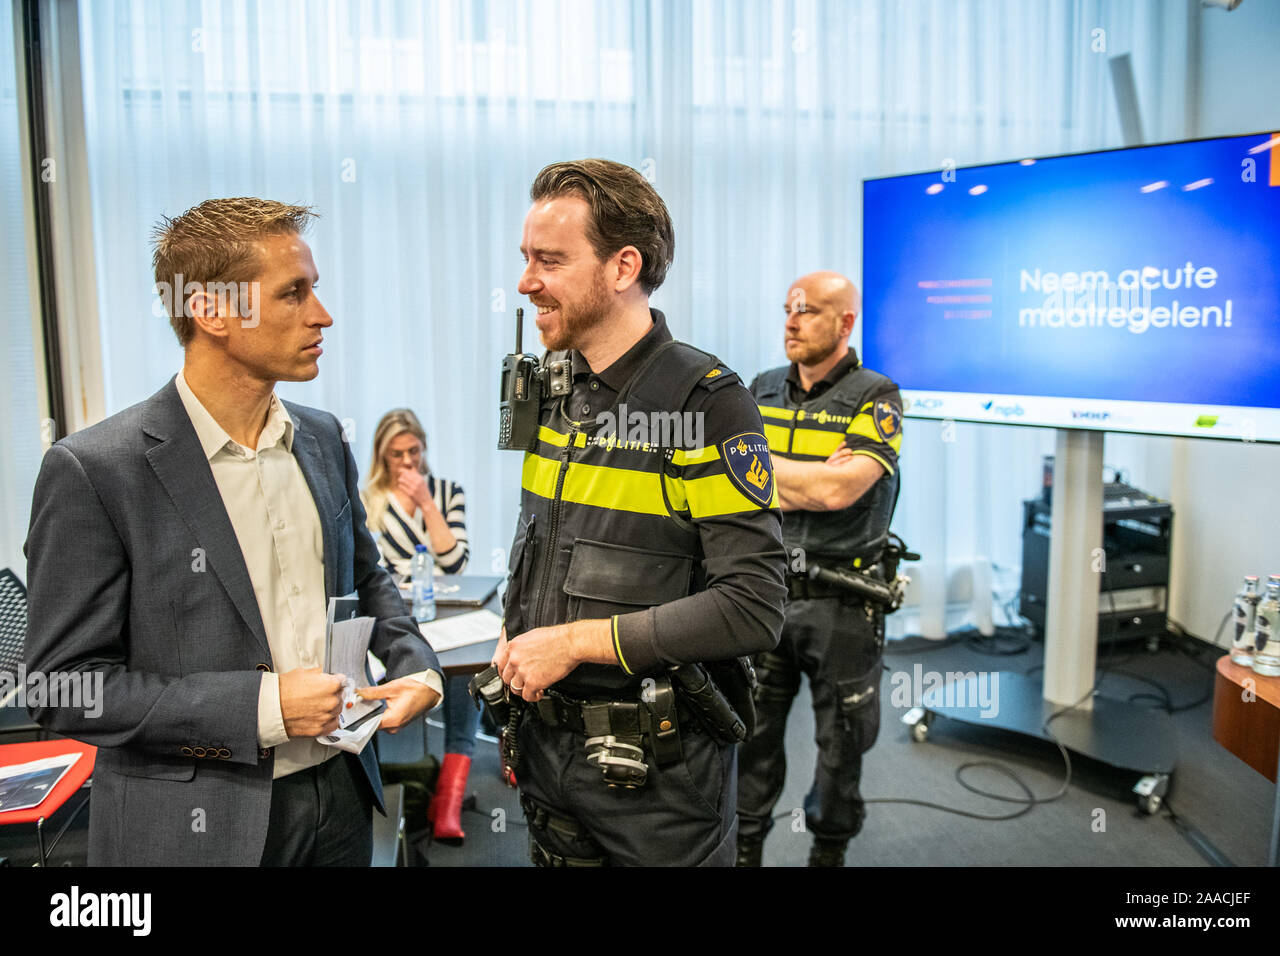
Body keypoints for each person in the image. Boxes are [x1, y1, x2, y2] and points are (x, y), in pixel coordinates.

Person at [23, 198, 443, 866]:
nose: (322, 314)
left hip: (340, 799)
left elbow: (367, 580)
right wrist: (263, 707)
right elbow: (61, 689)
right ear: (211, 311)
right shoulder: (98, 471)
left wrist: (417, 667)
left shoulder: (324, 438)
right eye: (293, 294)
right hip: (195, 828)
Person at [492, 158, 787, 867]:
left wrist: (571, 643)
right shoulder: (552, 389)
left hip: (656, 773)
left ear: (623, 266)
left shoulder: (705, 402)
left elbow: (754, 606)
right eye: (526, 259)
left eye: (549, 261)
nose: (527, 281)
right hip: (546, 750)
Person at [735, 270, 903, 867]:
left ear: (845, 322)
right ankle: (746, 846)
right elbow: (725, 480)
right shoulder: (759, 388)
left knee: (842, 742)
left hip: (841, 601)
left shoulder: (876, 395)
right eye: (787, 309)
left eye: (806, 311)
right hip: (764, 592)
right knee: (749, 733)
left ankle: (828, 852)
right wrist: (810, 475)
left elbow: (838, 492)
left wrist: (768, 471)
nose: (790, 321)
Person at [363, 408, 477, 844]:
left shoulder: (447, 493)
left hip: (443, 613)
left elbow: (455, 562)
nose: (407, 462)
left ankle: (449, 797)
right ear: (382, 456)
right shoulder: (369, 499)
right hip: (392, 622)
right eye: (397, 455)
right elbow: (371, 572)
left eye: (414, 451)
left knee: (463, 679)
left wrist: (428, 504)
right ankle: (381, 787)